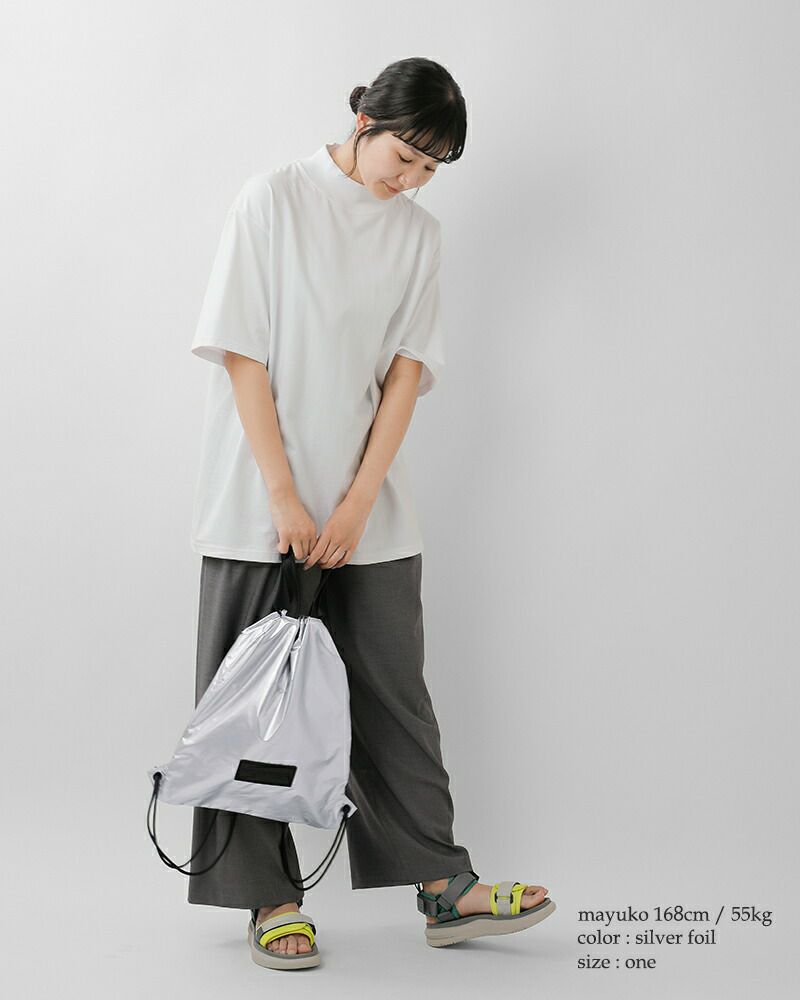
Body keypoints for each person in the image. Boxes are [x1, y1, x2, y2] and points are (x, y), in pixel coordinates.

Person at [186, 56, 555, 970]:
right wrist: (284, 494)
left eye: (433, 168)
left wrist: (355, 503)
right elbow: (242, 353)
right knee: (253, 705)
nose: (414, 180)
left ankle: (443, 885)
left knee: (396, 695)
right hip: (257, 499)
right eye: (406, 157)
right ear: (363, 123)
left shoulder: (418, 236)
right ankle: (269, 895)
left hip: (367, 508)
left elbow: (403, 377)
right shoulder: (272, 200)